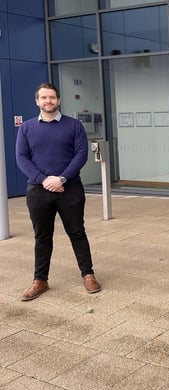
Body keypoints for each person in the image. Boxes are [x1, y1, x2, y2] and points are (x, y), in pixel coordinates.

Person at [16, 83, 102, 301]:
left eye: (52, 97)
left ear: (59, 100)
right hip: (38, 190)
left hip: (70, 189)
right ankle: (40, 281)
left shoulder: (74, 126)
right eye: (44, 98)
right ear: (37, 101)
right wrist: (45, 180)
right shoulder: (26, 128)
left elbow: (81, 154)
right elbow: (22, 158)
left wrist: (62, 178)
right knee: (42, 236)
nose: (48, 101)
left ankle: (88, 274)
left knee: (77, 232)